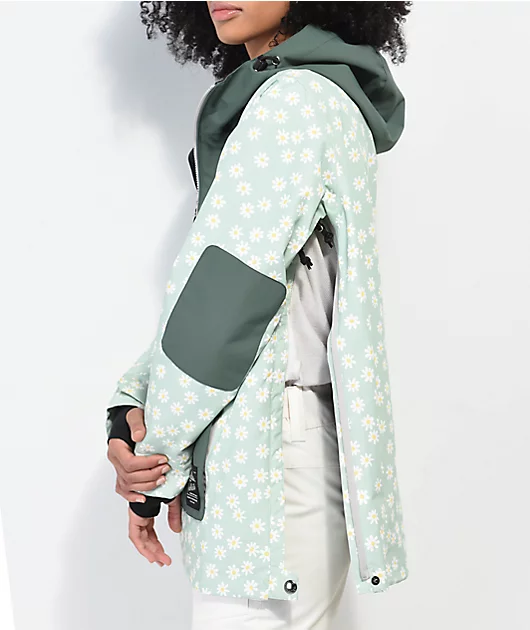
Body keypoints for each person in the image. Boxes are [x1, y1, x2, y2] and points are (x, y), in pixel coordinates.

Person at [106, 2, 412, 628]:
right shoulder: (320, 98)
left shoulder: (291, 104)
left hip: (266, 457)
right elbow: (217, 290)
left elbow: (225, 307)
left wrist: (155, 461)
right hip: (280, 446)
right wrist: (130, 403)